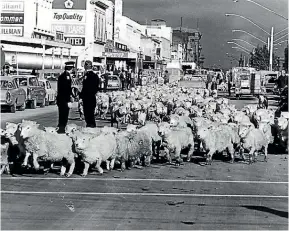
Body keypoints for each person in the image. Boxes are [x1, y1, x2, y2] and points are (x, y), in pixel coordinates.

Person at [79, 60, 100, 128]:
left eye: (85, 65)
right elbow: (96, 87)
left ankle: (91, 128)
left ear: (86, 66)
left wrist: (81, 96)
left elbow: (86, 88)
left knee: (88, 115)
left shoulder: (88, 75)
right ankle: (91, 127)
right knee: (90, 115)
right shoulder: (95, 76)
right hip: (92, 98)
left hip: (88, 98)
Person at [56, 61, 75, 134]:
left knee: (63, 116)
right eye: (72, 68)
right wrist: (68, 101)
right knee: (64, 116)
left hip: (61, 100)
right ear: (70, 68)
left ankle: (61, 129)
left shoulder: (64, 76)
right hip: (64, 100)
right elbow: (65, 90)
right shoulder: (65, 77)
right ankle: (61, 131)